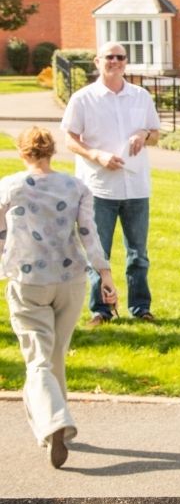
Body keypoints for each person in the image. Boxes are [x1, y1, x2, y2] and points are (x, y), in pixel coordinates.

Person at [1, 126, 115, 468]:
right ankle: (55, 431)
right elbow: (88, 234)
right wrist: (105, 274)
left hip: (28, 280)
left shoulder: (9, 186)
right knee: (55, 356)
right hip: (70, 281)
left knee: (37, 360)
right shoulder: (76, 187)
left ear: (23, 153)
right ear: (52, 152)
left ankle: (54, 422)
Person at [61, 40, 162, 326]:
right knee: (97, 251)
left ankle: (140, 307)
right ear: (97, 61)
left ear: (126, 62)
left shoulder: (140, 96)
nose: (115, 62)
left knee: (138, 253)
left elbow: (155, 133)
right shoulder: (83, 98)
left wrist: (143, 134)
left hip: (136, 186)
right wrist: (96, 155)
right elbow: (69, 139)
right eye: (109, 57)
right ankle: (100, 311)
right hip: (98, 187)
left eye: (120, 57)